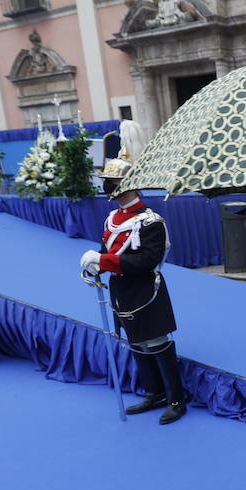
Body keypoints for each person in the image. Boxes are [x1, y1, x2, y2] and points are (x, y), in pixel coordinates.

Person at [80, 159, 186, 425]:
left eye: (113, 182)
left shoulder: (151, 221)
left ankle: (176, 400)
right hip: (120, 288)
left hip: (145, 289)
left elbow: (146, 261)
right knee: (137, 342)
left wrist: (103, 261)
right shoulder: (113, 218)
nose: (108, 186)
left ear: (128, 184)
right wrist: (95, 267)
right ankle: (154, 393)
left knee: (157, 343)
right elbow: (107, 251)